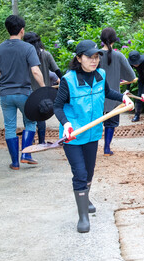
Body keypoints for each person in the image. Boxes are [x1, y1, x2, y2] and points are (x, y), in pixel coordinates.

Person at [53, 39, 133, 233]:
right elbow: (57, 105)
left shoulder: (100, 75)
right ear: (79, 58)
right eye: (90, 57)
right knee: (79, 173)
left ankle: (85, 198)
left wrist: (122, 97)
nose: (94, 60)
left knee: (89, 171)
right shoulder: (68, 80)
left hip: (93, 133)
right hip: (73, 135)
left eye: (97, 57)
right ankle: (83, 217)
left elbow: (107, 92)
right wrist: (67, 124)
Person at [0, 15, 45, 170]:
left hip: (5, 94)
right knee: (30, 122)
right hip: (23, 92)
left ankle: (15, 163)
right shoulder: (28, 48)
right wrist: (43, 88)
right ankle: (26, 154)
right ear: (22, 30)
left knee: (9, 126)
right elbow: (35, 71)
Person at [99, 27, 137, 156]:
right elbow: (131, 77)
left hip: (96, 97)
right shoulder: (118, 55)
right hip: (114, 98)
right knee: (111, 124)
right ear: (115, 40)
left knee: (94, 123)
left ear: (101, 40)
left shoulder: (94, 55)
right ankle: (107, 149)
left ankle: (89, 148)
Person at [24, 32, 63, 145]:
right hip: (43, 90)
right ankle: (41, 141)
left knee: (28, 116)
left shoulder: (25, 56)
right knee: (41, 116)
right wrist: (66, 82)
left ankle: (29, 141)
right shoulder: (46, 54)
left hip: (28, 90)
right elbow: (57, 70)